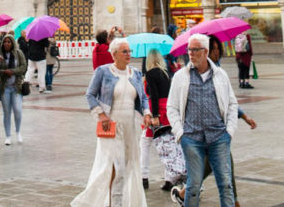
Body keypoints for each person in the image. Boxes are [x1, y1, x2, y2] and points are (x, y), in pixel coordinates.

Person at [71, 37, 152, 207]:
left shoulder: (135, 73)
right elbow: (90, 95)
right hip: (111, 126)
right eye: (124, 51)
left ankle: (119, 200)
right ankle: (115, 204)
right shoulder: (104, 72)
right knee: (118, 167)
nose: (128, 54)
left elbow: (143, 97)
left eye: (129, 51)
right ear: (114, 54)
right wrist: (101, 115)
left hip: (130, 126)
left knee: (129, 166)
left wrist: (146, 113)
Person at [166, 33, 238, 207]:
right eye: (189, 49)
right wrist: (180, 133)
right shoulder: (181, 76)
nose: (191, 53)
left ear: (205, 52)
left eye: (195, 50)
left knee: (226, 185)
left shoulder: (220, 75)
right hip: (191, 138)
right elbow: (172, 107)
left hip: (219, 137)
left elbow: (232, 103)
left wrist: (229, 131)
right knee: (193, 186)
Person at [141, 48, 173, 191]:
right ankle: (169, 178)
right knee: (167, 144)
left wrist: (154, 115)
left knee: (145, 142)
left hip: (158, 110)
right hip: (168, 109)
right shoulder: (165, 74)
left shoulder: (150, 74)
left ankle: (144, 176)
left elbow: (153, 95)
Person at [0, 33, 26, 145]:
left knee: (17, 110)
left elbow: (23, 67)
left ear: (12, 43)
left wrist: (12, 71)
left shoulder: (18, 53)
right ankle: (8, 135)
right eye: (5, 42)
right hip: (5, 87)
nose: (7, 43)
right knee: (6, 112)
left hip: (16, 87)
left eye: (9, 42)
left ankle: (18, 132)